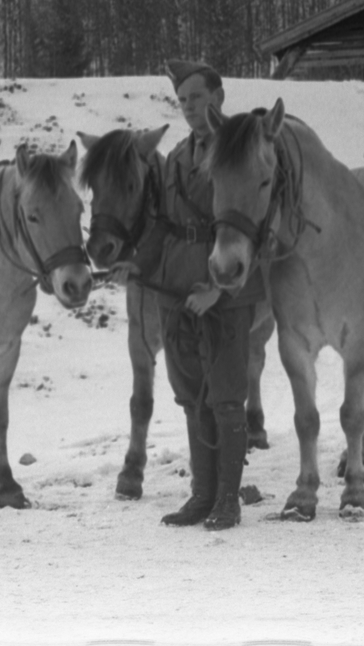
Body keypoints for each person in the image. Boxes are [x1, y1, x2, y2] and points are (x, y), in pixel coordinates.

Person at [111, 59, 268, 531]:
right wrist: (138, 263)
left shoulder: (243, 150)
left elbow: (252, 230)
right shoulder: (178, 156)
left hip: (223, 293)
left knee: (224, 398)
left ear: (218, 98)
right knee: (190, 398)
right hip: (175, 291)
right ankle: (201, 496)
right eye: (182, 101)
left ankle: (228, 500)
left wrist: (218, 293)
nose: (189, 108)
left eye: (196, 99)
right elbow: (161, 223)